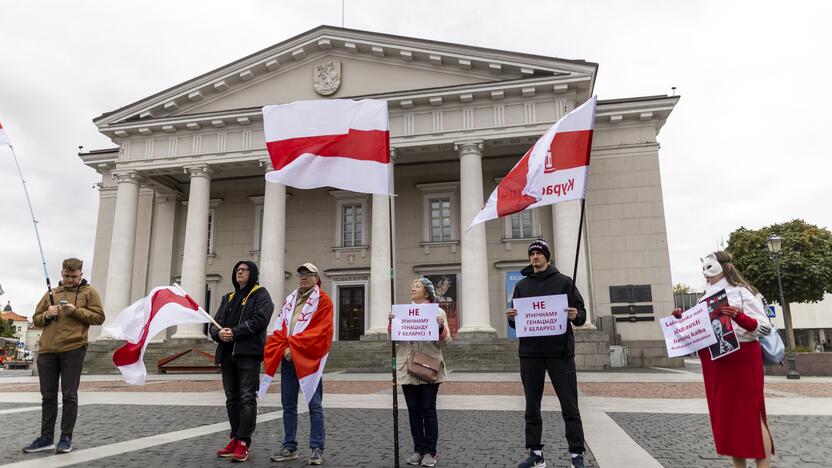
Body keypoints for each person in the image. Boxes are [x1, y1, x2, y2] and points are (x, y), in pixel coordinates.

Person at [673, 251, 774, 468]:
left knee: (752, 415)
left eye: (710, 267)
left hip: (741, 359)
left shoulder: (744, 292)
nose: (705, 273)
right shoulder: (704, 296)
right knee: (729, 419)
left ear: (723, 266)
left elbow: (764, 327)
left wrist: (740, 316)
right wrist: (681, 320)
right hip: (716, 363)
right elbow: (698, 330)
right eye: (703, 268)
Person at [506, 239, 587, 468]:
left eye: (539, 253)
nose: (535, 257)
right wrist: (511, 317)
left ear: (547, 257)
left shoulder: (564, 282)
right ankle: (535, 454)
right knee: (532, 405)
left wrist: (575, 316)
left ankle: (576, 454)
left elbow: (581, 314)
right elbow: (516, 323)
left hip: (560, 353)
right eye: (531, 254)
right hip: (530, 354)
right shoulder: (522, 285)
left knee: (569, 405)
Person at [24, 258, 105, 454]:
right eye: (67, 276)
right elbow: (36, 318)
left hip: (73, 348)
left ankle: (65, 437)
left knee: (69, 395)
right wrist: (46, 315)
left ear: (81, 275)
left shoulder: (89, 292)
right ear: (61, 273)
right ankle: (46, 438)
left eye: (74, 277)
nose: (69, 280)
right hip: (47, 351)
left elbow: (99, 317)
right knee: (48, 396)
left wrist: (77, 311)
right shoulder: (51, 293)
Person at [269, 263, 333, 466]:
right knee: (288, 405)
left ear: (317, 277)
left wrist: (293, 348)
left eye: (308, 274)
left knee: (314, 405)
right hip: (288, 358)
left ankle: (317, 448)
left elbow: (321, 331)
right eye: (301, 274)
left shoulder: (323, 300)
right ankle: (289, 447)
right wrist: (282, 348)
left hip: (309, 359)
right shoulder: (290, 299)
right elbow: (280, 326)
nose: (303, 277)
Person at [209, 261, 273, 462]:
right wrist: (219, 333)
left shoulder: (260, 294)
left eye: (244, 270)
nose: (240, 272)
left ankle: (244, 442)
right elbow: (214, 323)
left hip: (248, 354)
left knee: (246, 398)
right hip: (227, 355)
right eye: (237, 270)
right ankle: (235, 438)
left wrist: (234, 333)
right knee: (231, 399)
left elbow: (260, 320)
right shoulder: (227, 297)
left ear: (252, 273)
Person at [387, 278, 451, 467]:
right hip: (408, 367)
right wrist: (391, 324)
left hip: (429, 366)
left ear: (427, 291)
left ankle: (430, 451)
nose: (412, 288)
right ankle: (418, 449)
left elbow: (446, 342)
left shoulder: (437, 312)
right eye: (412, 285)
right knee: (414, 411)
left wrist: (440, 327)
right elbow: (393, 340)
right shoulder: (402, 313)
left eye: (417, 286)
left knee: (428, 410)